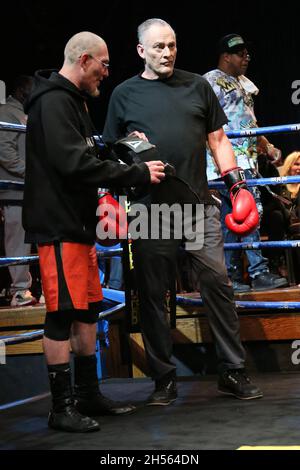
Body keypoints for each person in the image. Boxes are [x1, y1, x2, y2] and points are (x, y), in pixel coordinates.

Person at [103, 18, 263, 407]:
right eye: (158, 47)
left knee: (218, 284)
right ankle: (163, 378)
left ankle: (232, 370)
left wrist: (237, 183)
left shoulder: (197, 85)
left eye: (172, 45)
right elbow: (110, 150)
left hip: (195, 206)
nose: (167, 53)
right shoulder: (124, 94)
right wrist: (116, 177)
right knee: (153, 295)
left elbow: (218, 139)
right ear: (142, 51)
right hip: (149, 209)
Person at [22, 31, 165, 433]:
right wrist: (136, 172)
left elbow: (89, 152)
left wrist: (124, 147)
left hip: (79, 224)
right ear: (84, 60)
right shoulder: (52, 103)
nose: (106, 73)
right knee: (62, 314)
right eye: (103, 65)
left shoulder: (75, 102)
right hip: (59, 225)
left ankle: (87, 394)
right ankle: (60, 407)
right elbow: (73, 164)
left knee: (86, 311)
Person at [204, 34, 288, 292]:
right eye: (239, 53)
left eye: (246, 52)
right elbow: (202, 122)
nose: (246, 57)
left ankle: (232, 277)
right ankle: (258, 272)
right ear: (225, 56)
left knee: (233, 218)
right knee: (248, 213)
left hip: (246, 162)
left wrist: (268, 147)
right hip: (224, 162)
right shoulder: (209, 82)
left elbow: (248, 122)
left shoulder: (244, 84)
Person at [0, 75, 37, 307]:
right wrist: (32, 174)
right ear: (24, 92)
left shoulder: (23, 114)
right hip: (14, 191)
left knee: (30, 241)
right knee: (17, 242)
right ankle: (19, 291)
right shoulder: (6, 113)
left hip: (28, 191)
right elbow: (5, 153)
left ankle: (29, 288)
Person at [279, 151, 300, 283]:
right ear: (288, 166)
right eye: (296, 164)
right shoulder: (280, 186)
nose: (299, 168)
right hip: (284, 224)